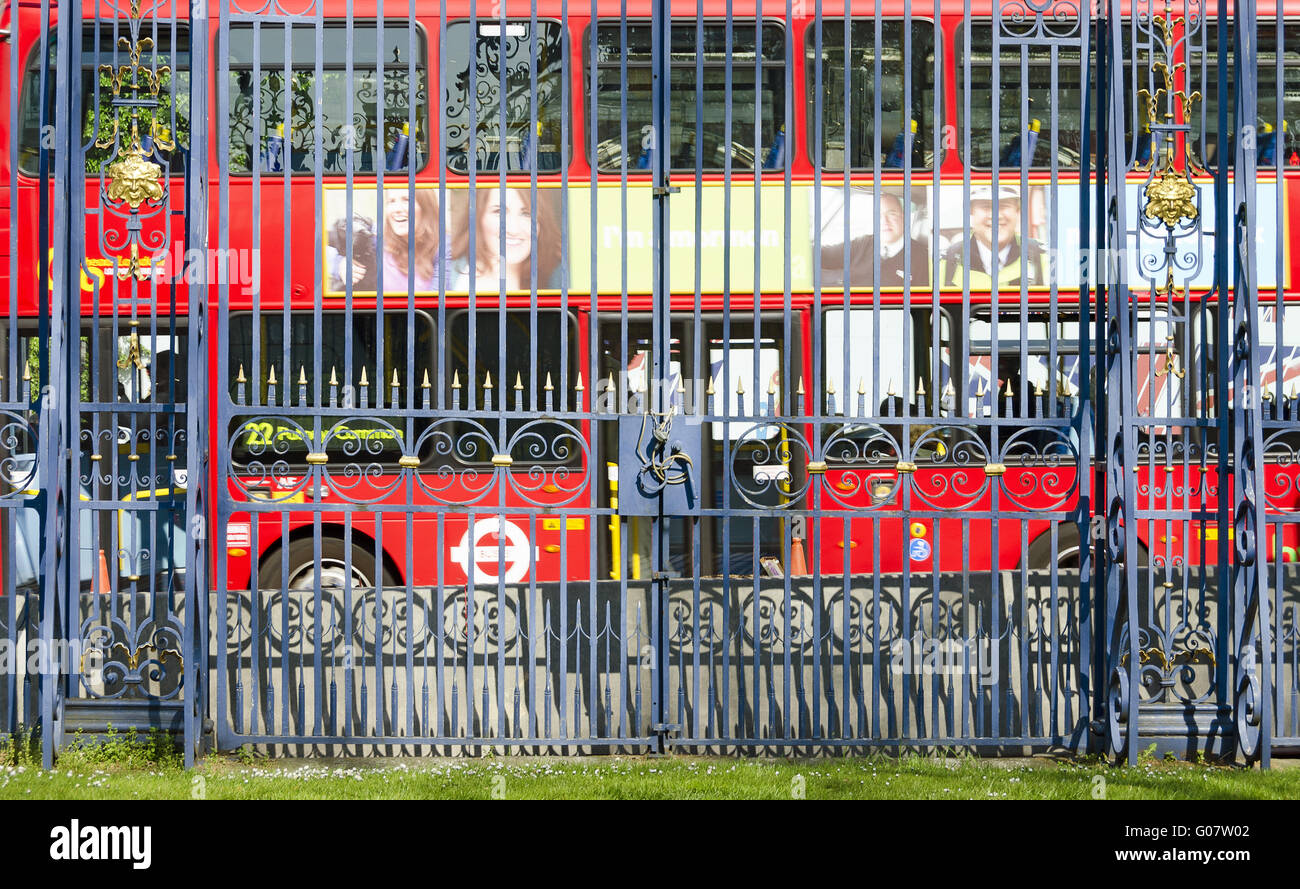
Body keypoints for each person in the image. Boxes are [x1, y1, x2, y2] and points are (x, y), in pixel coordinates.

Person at [448, 187, 562, 292]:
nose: (513, 229)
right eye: (499, 212)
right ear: (477, 218)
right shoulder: (447, 274)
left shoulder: (560, 276)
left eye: (526, 214)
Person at [938, 185, 1048, 289]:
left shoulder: (1044, 257)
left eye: (1004, 206)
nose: (995, 215)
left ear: (1017, 211)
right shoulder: (944, 262)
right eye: (985, 207)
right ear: (970, 212)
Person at [820, 191, 929, 288]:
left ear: (904, 218)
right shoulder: (862, 243)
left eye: (891, 214)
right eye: (878, 215)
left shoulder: (923, 259)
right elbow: (823, 255)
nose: (884, 221)